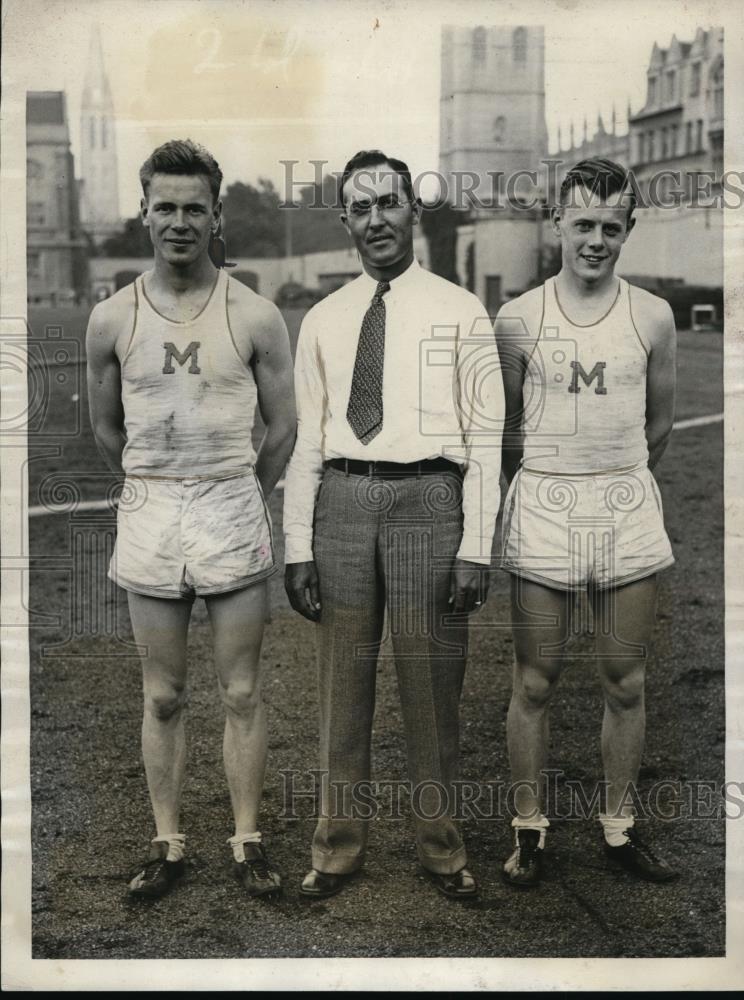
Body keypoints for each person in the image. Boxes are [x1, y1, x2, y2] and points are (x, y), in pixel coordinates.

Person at [283, 149, 504, 900]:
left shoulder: (459, 309)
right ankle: (336, 848)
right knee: (342, 686)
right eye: (361, 206)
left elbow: (486, 439)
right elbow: (306, 442)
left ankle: (442, 850)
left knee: (432, 688)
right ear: (345, 218)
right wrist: (296, 547)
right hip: (344, 501)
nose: (376, 217)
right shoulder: (323, 317)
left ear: (413, 210)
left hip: (429, 503)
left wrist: (475, 548)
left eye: (390, 202)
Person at [86, 139, 296, 900]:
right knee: (163, 694)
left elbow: (283, 428)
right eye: (165, 207)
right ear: (144, 212)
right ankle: (167, 842)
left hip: (230, 502)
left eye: (194, 208)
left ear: (217, 215)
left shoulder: (256, 314)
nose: (179, 221)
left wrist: (244, 492)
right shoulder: (111, 317)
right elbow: (108, 432)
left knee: (241, 691)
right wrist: (150, 488)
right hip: (151, 508)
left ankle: (247, 841)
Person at [495, 157, 678, 886]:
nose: (595, 240)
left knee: (625, 680)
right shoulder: (519, 318)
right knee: (535, 680)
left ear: (628, 229)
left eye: (610, 226)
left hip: (626, 506)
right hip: (545, 505)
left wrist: (616, 485)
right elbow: (504, 430)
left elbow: (657, 426)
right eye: (582, 225)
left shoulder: (653, 315)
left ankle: (618, 828)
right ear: (556, 224)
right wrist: (552, 486)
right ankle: (529, 831)